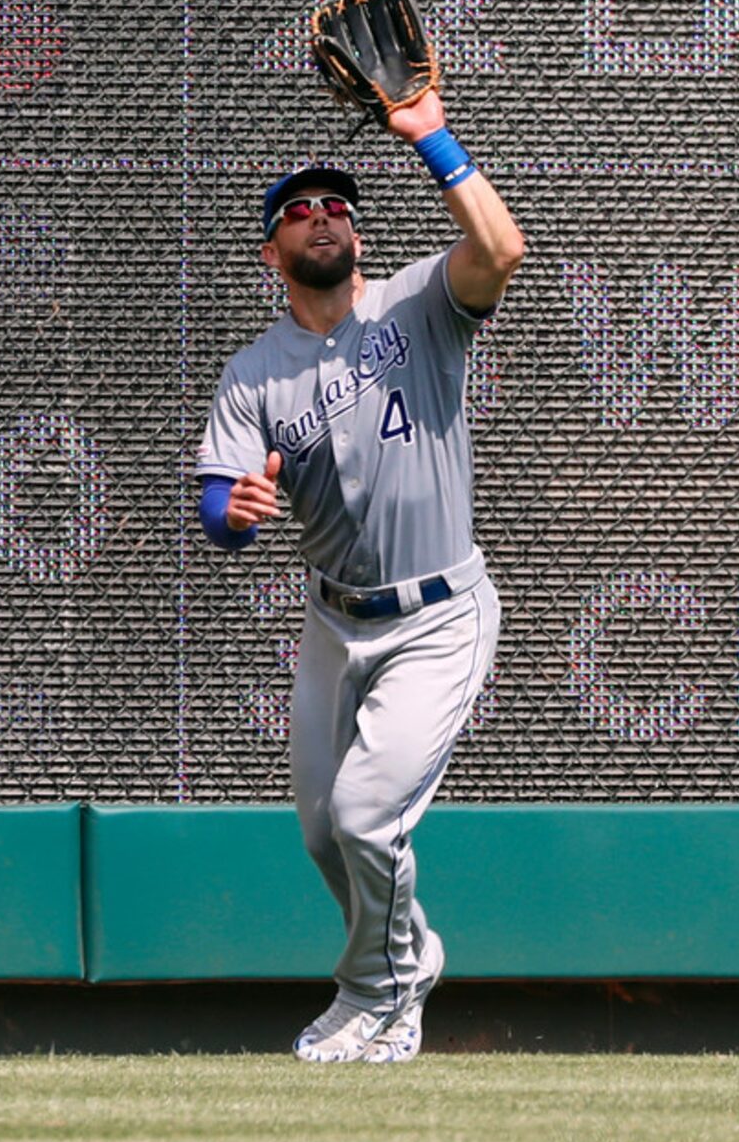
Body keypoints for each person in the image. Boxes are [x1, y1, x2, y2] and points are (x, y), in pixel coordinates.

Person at [196, 88, 524, 1062]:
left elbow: (501, 251)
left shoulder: (420, 305)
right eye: (298, 210)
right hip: (336, 625)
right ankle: (404, 952)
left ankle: (378, 990)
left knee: (366, 814)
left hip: (438, 613)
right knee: (319, 833)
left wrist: (431, 137)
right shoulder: (254, 372)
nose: (322, 215)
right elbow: (220, 508)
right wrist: (233, 512)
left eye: (336, 204)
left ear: (359, 236)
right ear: (271, 253)